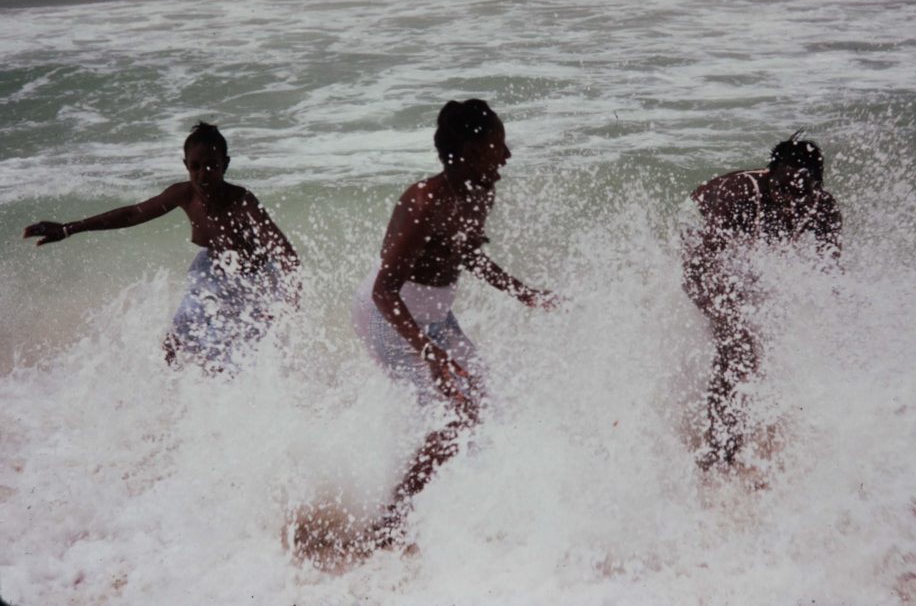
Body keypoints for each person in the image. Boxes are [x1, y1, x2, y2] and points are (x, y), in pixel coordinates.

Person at [345, 99, 557, 559]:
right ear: (467, 150)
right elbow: (385, 290)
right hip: (389, 316)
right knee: (454, 415)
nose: (506, 155)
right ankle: (390, 523)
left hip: (436, 315)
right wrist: (430, 353)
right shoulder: (423, 202)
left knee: (482, 402)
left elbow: (464, 252)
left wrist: (523, 293)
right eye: (496, 145)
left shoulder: (480, 191)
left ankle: (458, 510)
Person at [22, 122, 300, 371]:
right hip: (212, 271)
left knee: (233, 360)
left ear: (225, 164)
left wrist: (286, 300)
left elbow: (284, 252)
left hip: (255, 280)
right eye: (196, 166)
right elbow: (133, 214)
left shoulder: (242, 201)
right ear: (186, 165)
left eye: (212, 166)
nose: (204, 174)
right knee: (174, 344)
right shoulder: (184, 194)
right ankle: (169, 406)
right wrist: (69, 228)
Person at [682, 131, 841, 471]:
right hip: (697, 235)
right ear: (770, 177)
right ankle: (720, 449)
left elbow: (832, 276)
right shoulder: (737, 197)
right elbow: (700, 267)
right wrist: (726, 319)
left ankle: (746, 429)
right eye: (782, 187)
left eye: (801, 191)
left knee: (762, 328)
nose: (790, 199)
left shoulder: (823, 209)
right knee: (738, 345)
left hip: (741, 249)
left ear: (817, 186)